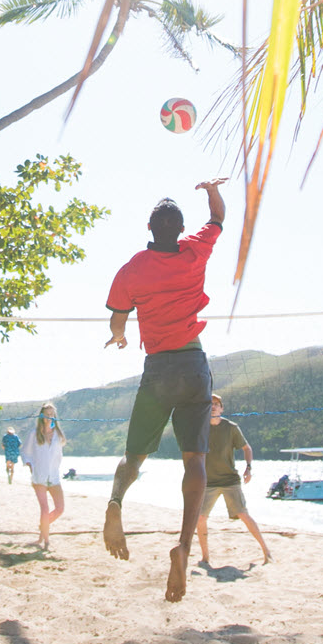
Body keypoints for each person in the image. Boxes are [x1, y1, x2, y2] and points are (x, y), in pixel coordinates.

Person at [103, 177, 228, 602]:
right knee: (195, 461)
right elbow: (217, 219)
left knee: (133, 456)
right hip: (193, 365)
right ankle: (184, 546)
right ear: (179, 230)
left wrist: (119, 337)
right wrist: (211, 189)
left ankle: (116, 503)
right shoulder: (195, 250)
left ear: (150, 230)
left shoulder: (132, 268)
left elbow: (119, 320)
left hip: (158, 368)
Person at [197, 394, 272, 566]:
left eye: (217, 404)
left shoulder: (231, 428)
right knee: (200, 518)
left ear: (222, 408)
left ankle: (266, 552)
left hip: (230, 480)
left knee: (243, 514)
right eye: (210, 404)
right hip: (209, 482)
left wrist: (248, 467)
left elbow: (247, 448)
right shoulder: (200, 427)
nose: (213, 406)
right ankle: (205, 557)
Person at [20, 403, 66, 550]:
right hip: (39, 477)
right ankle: (46, 541)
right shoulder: (34, 434)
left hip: (54, 477)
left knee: (59, 509)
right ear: (42, 416)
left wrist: (55, 468)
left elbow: (59, 456)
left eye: (52, 414)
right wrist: (30, 465)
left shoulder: (58, 435)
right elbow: (25, 452)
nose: (49, 416)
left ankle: (43, 527)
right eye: (47, 414)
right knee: (44, 509)